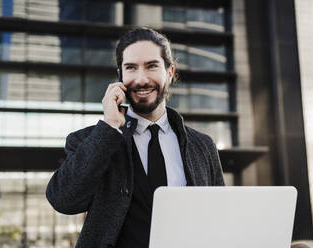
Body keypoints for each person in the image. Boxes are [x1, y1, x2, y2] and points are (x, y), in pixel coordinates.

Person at [46, 27, 224, 248]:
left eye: (151, 66)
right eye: (131, 68)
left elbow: (218, 219)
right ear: (120, 75)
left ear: (169, 72)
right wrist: (109, 127)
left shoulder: (203, 147)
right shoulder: (90, 140)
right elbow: (63, 200)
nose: (141, 79)